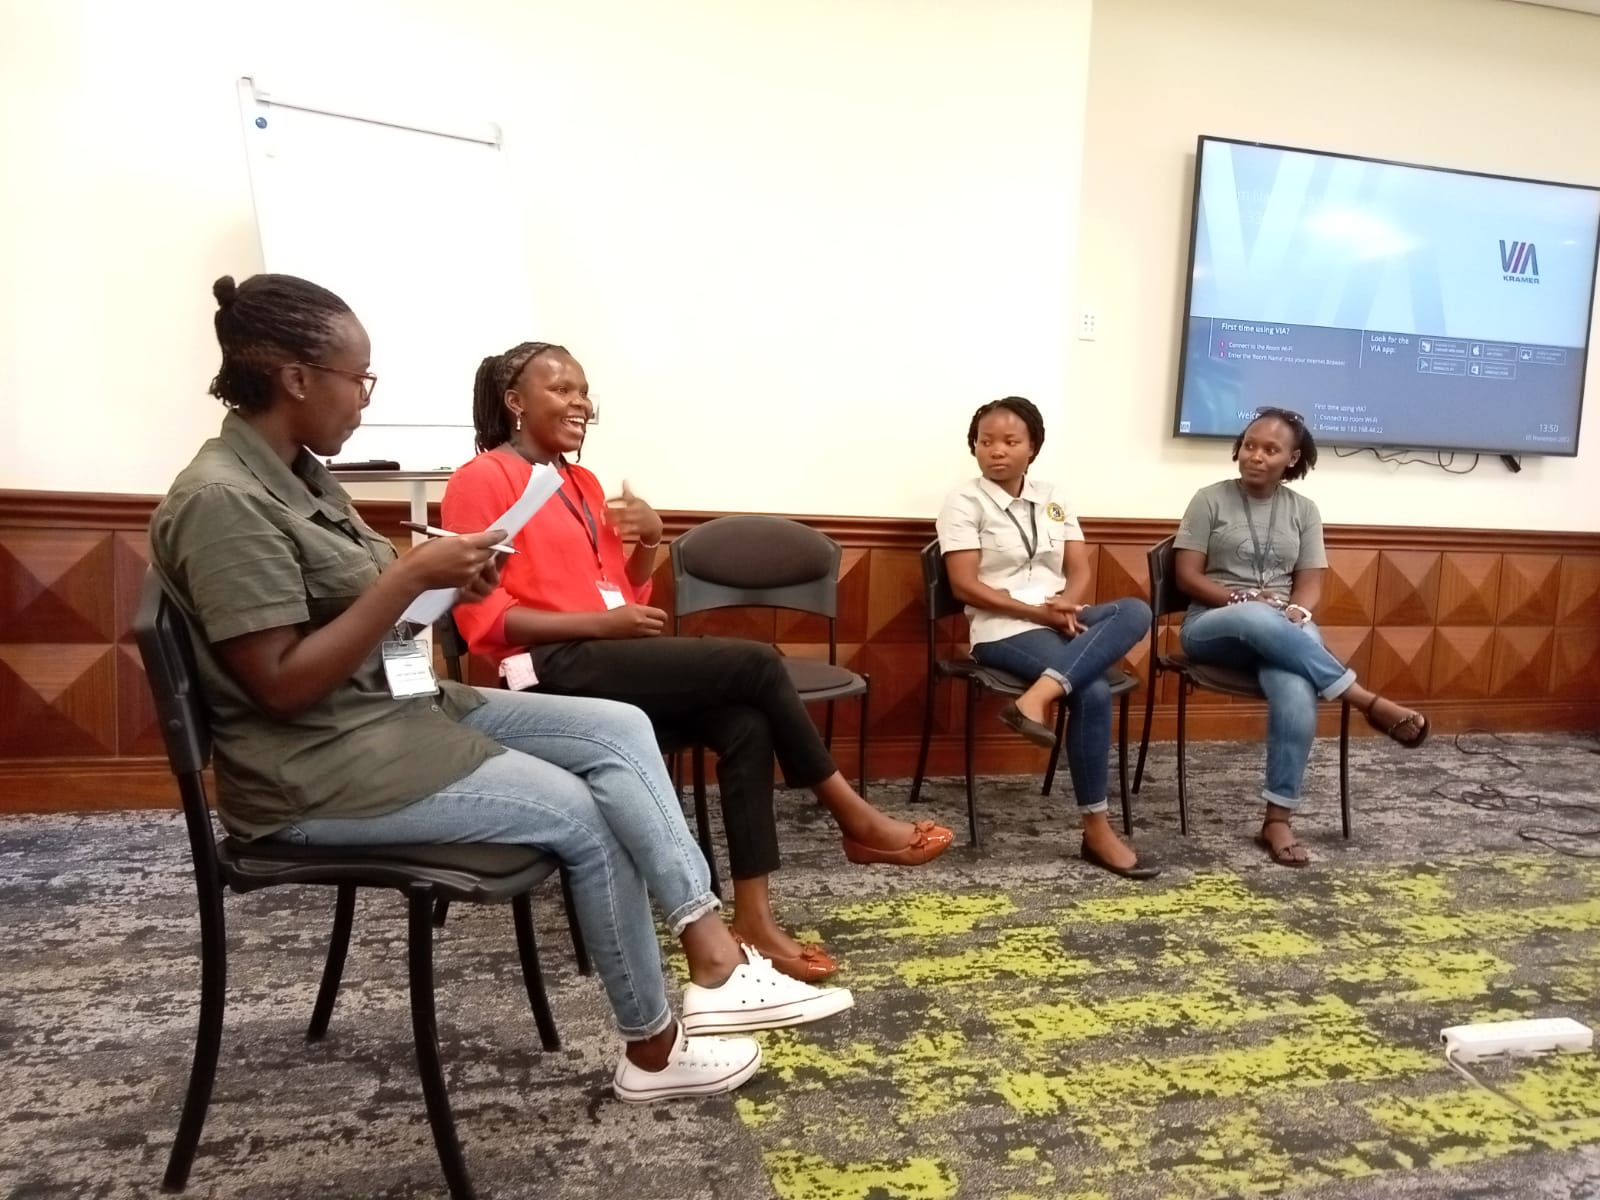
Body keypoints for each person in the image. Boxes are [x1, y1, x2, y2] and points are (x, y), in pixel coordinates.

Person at [151, 274, 854, 1105]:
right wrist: (406, 578)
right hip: (319, 767)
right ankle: (655, 1049)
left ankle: (716, 961)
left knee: (618, 728)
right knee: (589, 811)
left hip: (395, 715)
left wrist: (440, 583)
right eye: (359, 379)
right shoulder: (223, 501)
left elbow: (369, 611)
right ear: (299, 379)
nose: (365, 403)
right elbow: (278, 687)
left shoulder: (298, 472)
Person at [440, 341, 954, 983]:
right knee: (759, 664)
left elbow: (620, 595)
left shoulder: (582, 482)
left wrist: (649, 541)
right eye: (561, 389)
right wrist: (605, 623)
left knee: (747, 721)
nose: (580, 402)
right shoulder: (480, 479)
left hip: (604, 653)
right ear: (514, 402)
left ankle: (757, 921)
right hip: (541, 672)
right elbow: (484, 620)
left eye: (583, 389)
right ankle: (854, 817)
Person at [1174, 406, 1430, 867]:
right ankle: (1365, 699)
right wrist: (1242, 600)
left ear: (1291, 459)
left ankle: (1277, 818)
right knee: (1257, 616)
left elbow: (1309, 580)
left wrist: (1299, 608)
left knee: (1295, 687)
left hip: (1281, 627)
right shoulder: (1208, 499)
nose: (1255, 455)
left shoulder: (1303, 511)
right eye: (1249, 445)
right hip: (1213, 624)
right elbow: (1187, 577)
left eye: (1270, 449)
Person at [937, 396, 1157, 879]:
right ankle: (1097, 830)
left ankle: (1037, 697)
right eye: (985, 441)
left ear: (1032, 447)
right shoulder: (964, 501)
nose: (996, 450)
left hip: (1058, 618)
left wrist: (1066, 604)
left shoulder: (1054, 496)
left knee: (1135, 609)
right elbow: (965, 585)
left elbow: (1078, 568)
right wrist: (1038, 611)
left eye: (1010, 441)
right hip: (1002, 628)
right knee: (1093, 689)